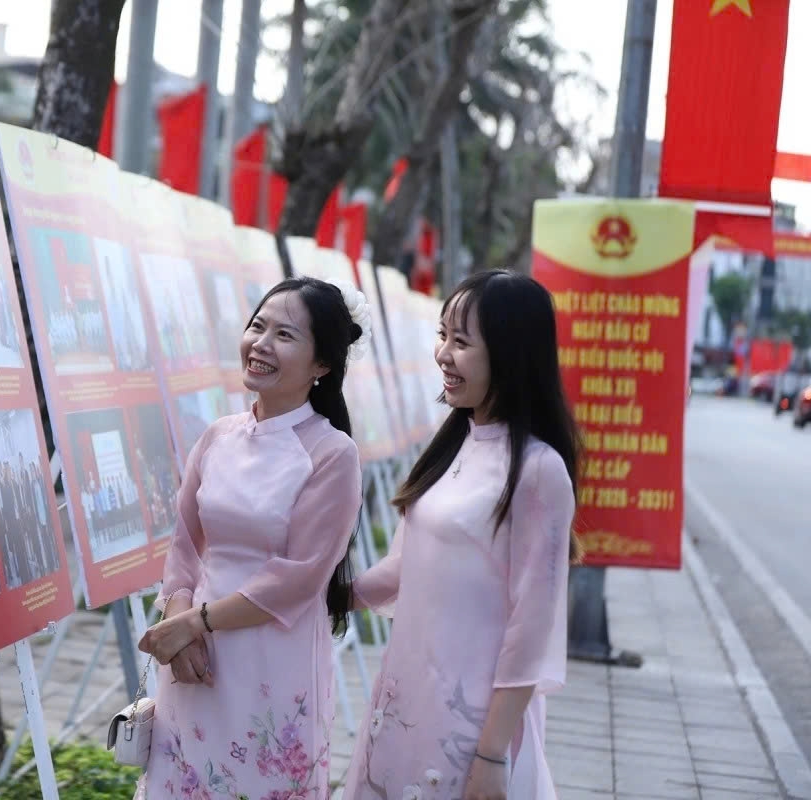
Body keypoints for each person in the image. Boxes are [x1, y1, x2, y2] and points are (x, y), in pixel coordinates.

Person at [341, 269, 581, 800]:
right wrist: (327, 593)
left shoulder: (538, 471)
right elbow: (405, 568)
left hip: (469, 721)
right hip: (404, 699)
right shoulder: (453, 442)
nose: (443, 355)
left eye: (462, 342)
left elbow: (532, 625)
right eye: (442, 336)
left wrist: (493, 752)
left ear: (512, 354)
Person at [135, 277, 368, 800]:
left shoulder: (332, 455)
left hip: (270, 660)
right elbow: (185, 545)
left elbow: (299, 578)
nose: (261, 344)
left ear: (322, 365)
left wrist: (195, 622)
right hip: (192, 657)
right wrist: (179, 622)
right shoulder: (218, 436)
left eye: (284, 335)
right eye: (257, 326)